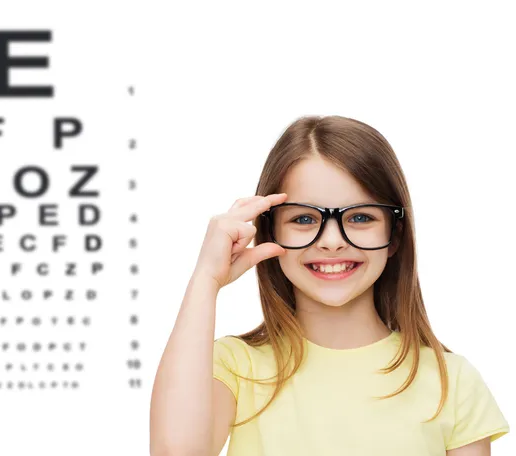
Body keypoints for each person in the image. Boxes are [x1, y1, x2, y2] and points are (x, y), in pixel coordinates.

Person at [149, 115, 510, 456]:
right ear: (270, 231)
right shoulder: (233, 365)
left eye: (360, 217)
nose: (333, 241)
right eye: (305, 218)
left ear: (394, 236)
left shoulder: (453, 381)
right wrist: (205, 280)